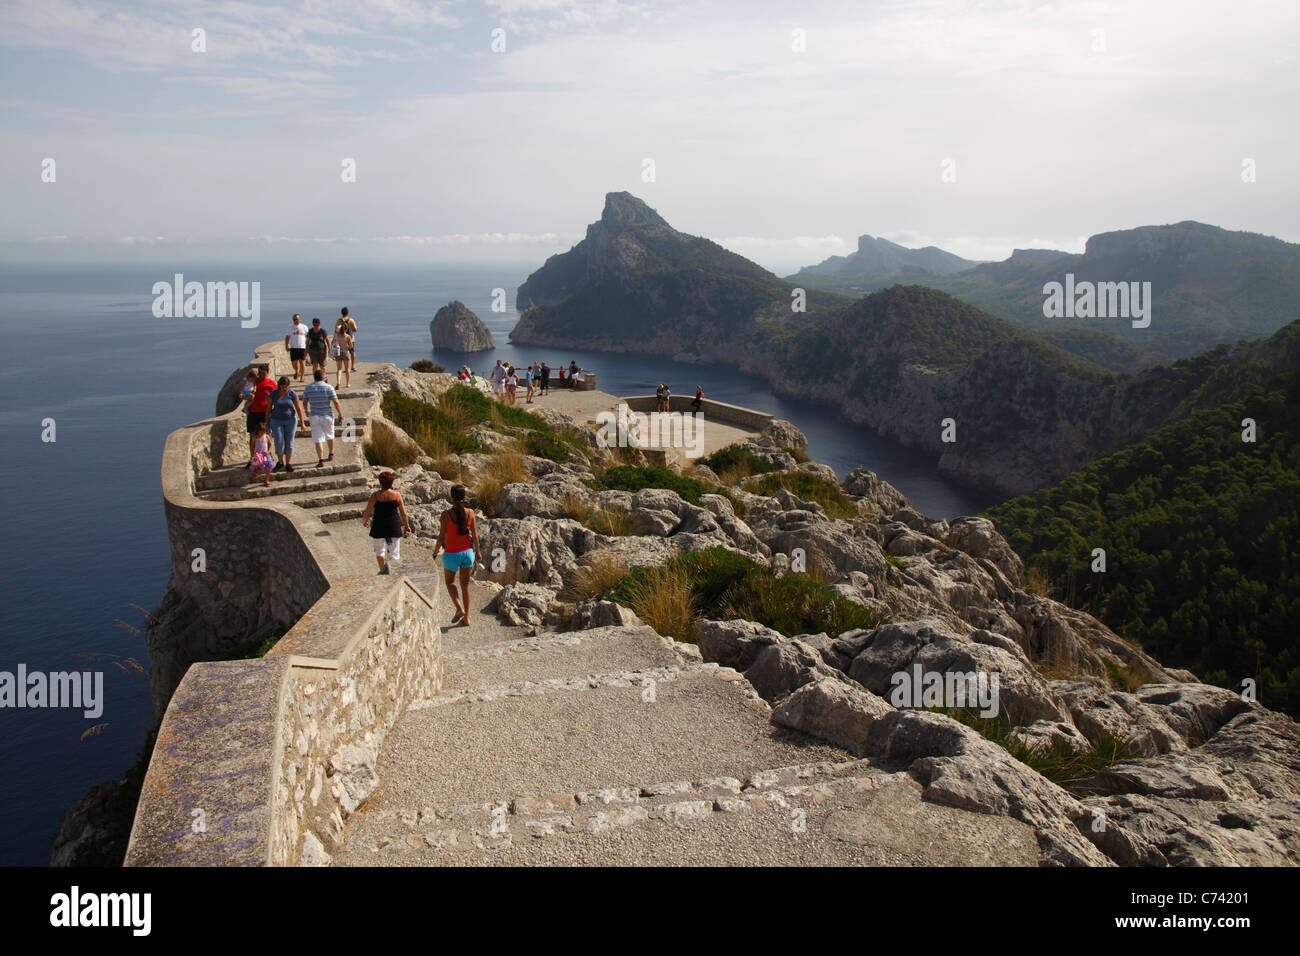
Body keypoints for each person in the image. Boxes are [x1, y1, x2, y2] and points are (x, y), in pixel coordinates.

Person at [432, 484, 479, 625]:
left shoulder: (446, 515)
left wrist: (435, 553)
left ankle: (459, 608)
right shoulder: (470, 513)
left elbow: (441, 538)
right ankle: (467, 618)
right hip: (468, 553)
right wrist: (479, 552)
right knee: (465, 586)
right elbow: (475, 536)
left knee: (450, 582)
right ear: (464, 497)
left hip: (452, 554)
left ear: (451, 497)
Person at [361, 471, 412, 575]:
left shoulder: (375, 495)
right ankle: (393, 574)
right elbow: (404, 514)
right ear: (392, 482)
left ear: (380, 482)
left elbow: (368, 511)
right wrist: (407, 526)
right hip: (393, 527)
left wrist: (364, 521)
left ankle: (382, 571)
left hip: (378, 526)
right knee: (394, 553)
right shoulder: (396, 495)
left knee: (379, 551)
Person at [302, 368, 344, 467]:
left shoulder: (308, 388)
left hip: (314, 415)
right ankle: (331, 453)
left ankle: (320, 460)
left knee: (318, 439)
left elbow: (304, 401)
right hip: (327, 415)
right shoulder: (329, 387)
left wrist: (306, 410)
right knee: (330, 435)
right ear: (324, 377)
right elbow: (336, 402)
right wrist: (340, 414)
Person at [267, 375, 306, 472]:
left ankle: (288, 463)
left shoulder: (292, 394)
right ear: (279, 385)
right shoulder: (274, 394)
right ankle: (280, 462)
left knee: (289, 442)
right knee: (279, 441)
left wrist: (302, 422)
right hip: (276, 420)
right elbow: (268, 409)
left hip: (290, 421)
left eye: (286, 386)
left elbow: (298, 408)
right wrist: (266, 422)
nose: (284, 388)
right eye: (283, 386)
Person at [246, 366, 278, 433]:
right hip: (252, 412)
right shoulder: (253, 381)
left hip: (265, 412)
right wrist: (247, 396)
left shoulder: (271, 383)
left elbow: (277, 396)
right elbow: (244, 392)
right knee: (252, 434)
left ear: (268, 373)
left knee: (266, 434)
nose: (261, 375)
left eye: (264, 373)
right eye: (260, 373)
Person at [248, 422, 274, 486]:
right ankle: (256, 471)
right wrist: (252, 454)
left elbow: (270, 444)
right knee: (261, 467)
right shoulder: (255, 437)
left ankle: (266, 480)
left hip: (266, 454)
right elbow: (252, 446)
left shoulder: (266, 436)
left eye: (263, 432)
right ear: (258, 431)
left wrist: (268, 451)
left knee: (269, 467)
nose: (262, 433)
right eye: (261, 432)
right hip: (258, 455)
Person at [285, 314, 308, 382]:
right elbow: (287, 337)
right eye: (294, 319)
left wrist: (307, 346)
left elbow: (308, 337)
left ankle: (302, 376)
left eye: (297, 319)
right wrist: (287, 345)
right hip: (293, 347)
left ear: (299, 319)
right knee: (294, 362)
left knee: (302, 362)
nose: (295, 320)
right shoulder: (290, 327)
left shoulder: (304, 327)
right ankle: (296, 370)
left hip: (302, 347)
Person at [331, 321, 352, 388]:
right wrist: (347, 346)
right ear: (346, 329)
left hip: (338, 353)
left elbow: (333, 343)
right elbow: (351, 346)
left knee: (339, 369)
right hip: (345, 353)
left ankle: (338, 383)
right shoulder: (347, 337)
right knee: (347, 369)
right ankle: (348, 383)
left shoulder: (337, 336)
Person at [340, 307, 358, 372]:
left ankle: (346, 367)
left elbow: (336, 329)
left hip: (342, 339)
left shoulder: (339, 321)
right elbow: (355, 329)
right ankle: (353, 366)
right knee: (352, 352)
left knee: (344, 353)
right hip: (350, 338)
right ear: (348, 313)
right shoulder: (351, 320)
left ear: (341, 313)